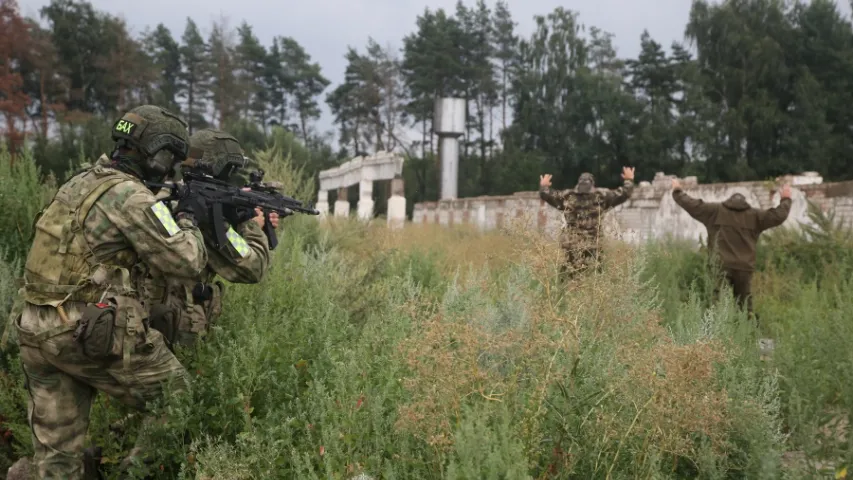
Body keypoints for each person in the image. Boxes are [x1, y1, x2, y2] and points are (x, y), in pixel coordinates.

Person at [12, 105, 208, 479]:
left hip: (35, 328)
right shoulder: (131, 197)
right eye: (170, 159)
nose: (169, 170)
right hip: (82, 331)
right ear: (155, 152)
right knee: (177, 395)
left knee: (57, 457)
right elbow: (187, 261)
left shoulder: (81, 181)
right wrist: (188, 218)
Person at [145, 129, 277, 349]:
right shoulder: (206, 216)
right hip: (176, 329)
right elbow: (254, 266)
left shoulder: (160, 198)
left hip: (145, 319)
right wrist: (251, 224)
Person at [671, 178, 792, 320]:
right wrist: (786, 199)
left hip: (720, 266)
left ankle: (716, 337)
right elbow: (778, 216)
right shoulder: (755, 216)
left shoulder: (714, 211)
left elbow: (691, 204)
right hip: (744, 267)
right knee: (745, 305)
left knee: (717, 304)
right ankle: (748, 334)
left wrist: (677, 191)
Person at [539, 168, 635, 278]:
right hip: (594, 244)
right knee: (595, 278)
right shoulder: (602, 196)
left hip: (572, 245)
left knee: (568, 277)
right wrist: (629, 179)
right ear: (592, 184)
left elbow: (546, 194)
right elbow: (624, 193)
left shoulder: (567, 196)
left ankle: (566, 293)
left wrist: (544, 185)